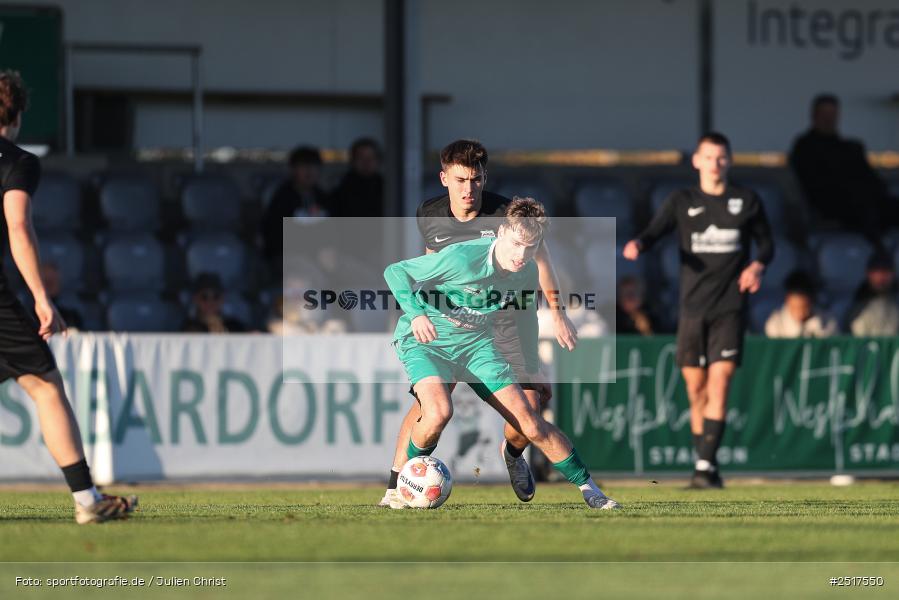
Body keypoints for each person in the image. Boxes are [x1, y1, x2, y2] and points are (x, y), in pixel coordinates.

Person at [378, 139, 579, 507]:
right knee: (431, 407)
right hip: (454, 322)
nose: (468, 189)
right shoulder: (429, 213)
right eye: (460, 180)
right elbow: (431, 266)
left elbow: (542, 261)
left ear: (484, 178)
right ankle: (395, 486)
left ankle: (514, 455)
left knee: (529, 412)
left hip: (505, 318)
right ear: (444, 179)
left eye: (475, 179)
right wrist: (422, 313)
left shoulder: (506, 213)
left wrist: (558, 312)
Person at [384, 197, 618, 509]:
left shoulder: (526, 271)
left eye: (531, 247)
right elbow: (395, 272)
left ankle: (591, 491)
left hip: (478, 346)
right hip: (431, 342)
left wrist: (530, 369)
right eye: (518, 243)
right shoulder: (462, 258)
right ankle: (399, 490)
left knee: (530, 423)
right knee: (438, 412)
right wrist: (416, 314)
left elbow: (525, 320)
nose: (522, 255)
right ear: (501, 232)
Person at [0, 70, 136, 523]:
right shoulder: (17, 161)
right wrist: (41, 295)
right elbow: (18, 226)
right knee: (44, 384)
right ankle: (87, 502)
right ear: (16, 116)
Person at [623, 132, 774, 489]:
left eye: (721, 157)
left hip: (730, 307)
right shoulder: (682, 200)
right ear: (697, 161)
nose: (715, 163)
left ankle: (705, 466)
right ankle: (705, 462)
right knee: (696, 388)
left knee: (720, 381)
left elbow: (767, 244)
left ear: (730, 160)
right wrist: (638, 244)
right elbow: (655, 231)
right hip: (693, 307)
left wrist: (757, 266)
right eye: (709, 157)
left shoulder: (746, 200)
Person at [789, 94, 896, 244]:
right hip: (835, 206)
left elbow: (872, 180)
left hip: (867, 202)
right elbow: (815, 185)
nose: (828, 119)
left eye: (832, 114)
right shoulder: (805, 147)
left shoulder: (850, 148)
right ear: (814, 116)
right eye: (824, 114)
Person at [261, 145, 329, 261]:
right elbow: (273, 238)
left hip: (321, 256)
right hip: (289, 257)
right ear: (293, 170)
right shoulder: (282, 198)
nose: (309, 171)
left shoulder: (324, 198)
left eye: (313, 166)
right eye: (303, 166)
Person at [764, 270, 837, 338]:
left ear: (811, 301)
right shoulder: (775, 323)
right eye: (795, 308)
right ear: (787, 300)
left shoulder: (827, 320)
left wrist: (817, 331)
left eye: (804, 308)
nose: (800, 313)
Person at [845, 252, 899, 337]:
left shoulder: (896, 301)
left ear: (893, 274)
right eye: (877, 272)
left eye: (886, 272)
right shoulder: (857, 306)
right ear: (869, 274)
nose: (882, 277)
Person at [328, 137, 384, 217]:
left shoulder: (388, 190)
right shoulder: (340, 192)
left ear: (378, 161)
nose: (366, 162)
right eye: (361, 158)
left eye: (371, 157)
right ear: (353, 161)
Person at [181, 273, 247, 333]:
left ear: (222, 299)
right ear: (195, 299)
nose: (210, 302)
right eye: (204, 297)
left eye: (216, 296)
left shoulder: (235, 327)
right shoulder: (187, 329)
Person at [38, 262, 84, 331]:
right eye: (47, 281)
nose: (49, 285)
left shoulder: (71, 314)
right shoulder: (31, 313)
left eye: (52, 282)